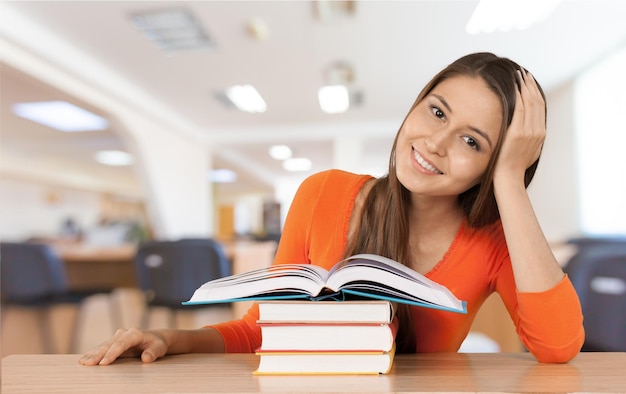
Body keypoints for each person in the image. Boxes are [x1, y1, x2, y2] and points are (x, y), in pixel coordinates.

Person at [80, 52, 584, 366]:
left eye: (472, 142)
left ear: (492, 165)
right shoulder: (323, 193)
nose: (435, 142)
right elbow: (264, 330)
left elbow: (558, 347)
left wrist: (510, 183)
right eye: (436, 111)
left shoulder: (492, 240)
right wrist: (171, 339)